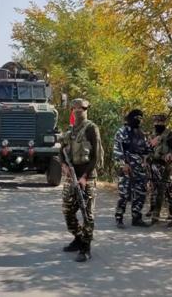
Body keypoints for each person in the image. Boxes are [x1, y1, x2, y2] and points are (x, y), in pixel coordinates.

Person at [60, 98, 103, 263]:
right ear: (72, 110)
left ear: (87, 109)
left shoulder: (92, 128)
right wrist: (63, 165)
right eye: (76, 108)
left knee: (87, 213)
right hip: (72, 176)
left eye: (82, 108)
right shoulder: (70, 131)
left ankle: (86, 248)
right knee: (67, 210)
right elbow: (61, 149)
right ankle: (78, 238)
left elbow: (96, 157)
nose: (79, 111)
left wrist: (85, 177)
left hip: (87, 176)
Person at [114, 109, 152, 228]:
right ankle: (119, 218)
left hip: (140, 168)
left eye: (140, 119)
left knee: (140, 193)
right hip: (127, 166)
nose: (138, 121)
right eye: (137, 118)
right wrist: (123, 164)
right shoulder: (122, 131)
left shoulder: (140, 133)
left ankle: (137, 217)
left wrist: (150, 147)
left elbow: (145, 149)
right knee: (124, 194)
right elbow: (117, 149)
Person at [147, 114, 172, 225]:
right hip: (154, 165)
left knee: (168, 189)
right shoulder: (152, 134)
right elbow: (147, 148)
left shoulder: (169, 135)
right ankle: (155, 213)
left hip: (165, 165)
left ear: (164, 122)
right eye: (156, 122)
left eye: (160, 122)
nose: (158, 124)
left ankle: (171, 212)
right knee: (155, 189)